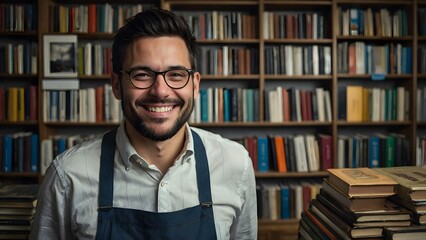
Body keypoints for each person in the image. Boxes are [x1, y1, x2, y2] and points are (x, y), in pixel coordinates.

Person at [29, 8, 257, 240]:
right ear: (116, 85)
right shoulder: (67, 176)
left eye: (176, 75)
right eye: (142, 75)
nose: (160, 91)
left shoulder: (236, 165)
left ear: (195, 85)